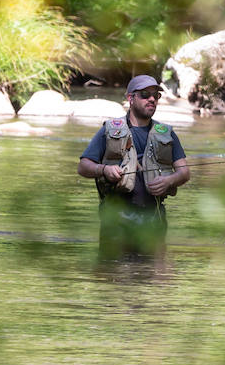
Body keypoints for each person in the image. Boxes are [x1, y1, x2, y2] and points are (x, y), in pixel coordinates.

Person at [77, 75, 190, 257]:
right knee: (115, 279)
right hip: (116, 220)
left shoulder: (167, 134)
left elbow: (184, 172)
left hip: (153, 218)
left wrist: (169, 180)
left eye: (156, 95)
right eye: (145, 94)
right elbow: (83, 166)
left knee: (156, 279)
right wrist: (104, 170)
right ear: (131, 98)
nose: (152, 99)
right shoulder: (110, 129)